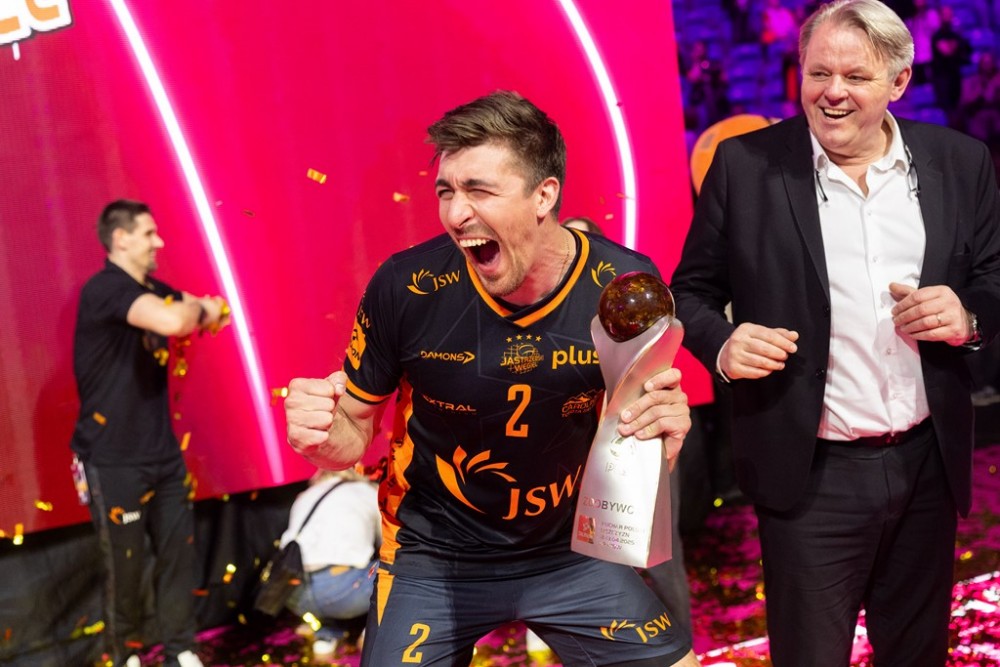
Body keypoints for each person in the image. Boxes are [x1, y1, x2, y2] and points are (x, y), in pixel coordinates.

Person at [285, 91, 700, 666]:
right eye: (446, 192)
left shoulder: (623, 286)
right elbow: (352, 431)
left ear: (543, 195)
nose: (456, 214)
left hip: (570, 551)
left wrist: (662, 437)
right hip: (433, 557)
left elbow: (636, 443)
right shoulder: (405, 288)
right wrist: (320, 436)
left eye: (479, 190)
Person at [670, 1, 1000, 665]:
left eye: (855, 76)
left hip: (928, 465)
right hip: (810, 476)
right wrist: (724, 346)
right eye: (818, 73)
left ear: (899, 82)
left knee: (917, 653)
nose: (832, 92)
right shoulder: (744, 166)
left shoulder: (960, 161)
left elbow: (994, 279)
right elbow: (690, 292)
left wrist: (968, 317)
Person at [71, 199, 229, 667]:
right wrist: (198, 307)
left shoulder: (156, 289)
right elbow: (177, 319)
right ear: (121, 239)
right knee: (124, 564)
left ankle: (181, 649)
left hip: (162, 453)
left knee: (178, 556)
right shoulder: (105, 289)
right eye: (148, 234)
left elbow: (217, 313)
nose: (160, 242)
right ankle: (126, 655)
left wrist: (199, 308)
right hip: (111, 458)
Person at [562, 214, 693, 634]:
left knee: (661, 558)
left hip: (641, 445)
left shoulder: (635, 321)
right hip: (582, 459)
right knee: (586, 562)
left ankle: (680, 644)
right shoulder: (559, 327)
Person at [281, 468, 380, 660]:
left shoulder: (305, 495)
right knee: (398, 565)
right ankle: (372, 631)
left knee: (326, 586)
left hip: (293, 594)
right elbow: (388, 542)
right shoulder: (368, 491)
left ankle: (326, 637)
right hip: (342, 594)